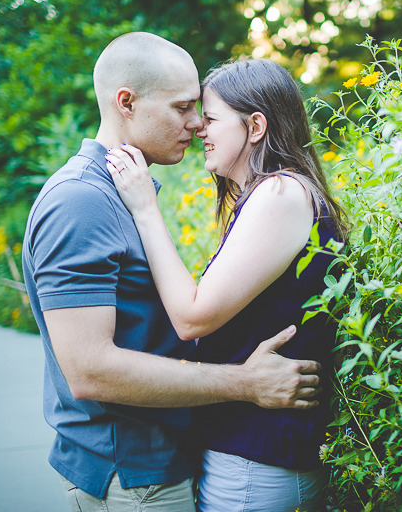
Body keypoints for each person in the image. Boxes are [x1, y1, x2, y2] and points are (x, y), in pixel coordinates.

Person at [22, 33, 322, 512]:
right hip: (132, 472)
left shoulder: (120, 193)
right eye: (182, 108)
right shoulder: (81, 202)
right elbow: (90, 371)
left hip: (166, 462)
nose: (196, 122)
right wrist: (244, 382)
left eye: (202, 110)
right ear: (127, 103)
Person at [104, 58, 349, 512]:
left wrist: (145, 208)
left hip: (257, 462)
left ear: (255, 126)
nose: (199, 128)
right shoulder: (271, 195)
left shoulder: (280, 194)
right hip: (252, 458)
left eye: (211, 118)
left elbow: (192, 317)